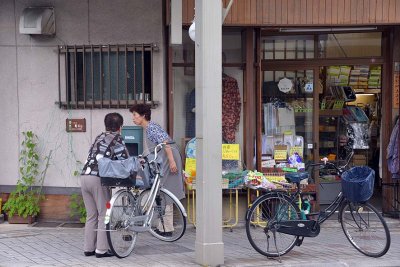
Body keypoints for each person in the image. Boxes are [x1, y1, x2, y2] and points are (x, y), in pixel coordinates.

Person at [129, 104, 185, 236]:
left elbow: (165, 143)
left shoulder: (151, 127)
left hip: (168, 157)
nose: (133, 118)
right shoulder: (148, 128)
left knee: (166, 190)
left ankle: (167, 229)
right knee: (159, 191)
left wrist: (171, 161)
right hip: (164, 159)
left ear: (143, 116)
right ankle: (163, 227)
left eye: (135, 115)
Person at [80, 112, 129, 258]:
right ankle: (101, 250)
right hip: (98, 180)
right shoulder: (117, 139)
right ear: (120, 127)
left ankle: (88, 248)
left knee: (91, 215)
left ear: (106, 125)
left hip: (84, 177)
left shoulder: (99, 137)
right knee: (103, 214)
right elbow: (125, 160)